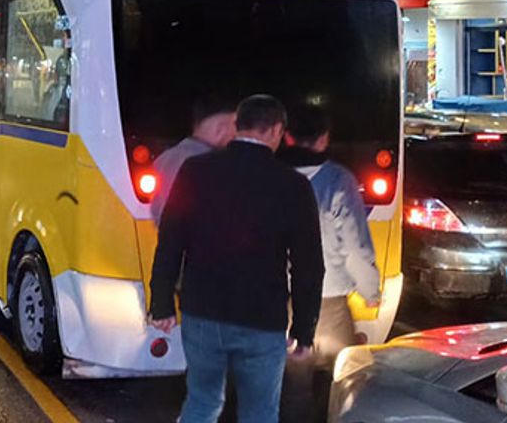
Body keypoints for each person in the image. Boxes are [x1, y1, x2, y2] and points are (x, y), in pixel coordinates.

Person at [149, 95, 324, 423]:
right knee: (260, 412)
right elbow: (309, 265)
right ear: (276, 130)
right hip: (262, 318)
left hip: (202, 311)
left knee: (202, 402)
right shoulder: (293, 185)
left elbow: (171, 241)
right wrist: (304, 328)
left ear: (238, 126)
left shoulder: (196, 171)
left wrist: (161, 303)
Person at [280, 106, 380, 422]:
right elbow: (355, 245)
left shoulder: (269, 176)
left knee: (293, 386)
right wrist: (370, 290)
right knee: (347, 379)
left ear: (287, 136)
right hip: (329, 302)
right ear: (324, 138)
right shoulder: (337, 180)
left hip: (279, 300)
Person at [149, 94, 238, 224]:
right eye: (236, 128)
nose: (237, 136)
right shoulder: (213, 165)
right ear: (220, 128)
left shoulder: (163, 160)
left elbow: (157, 212)